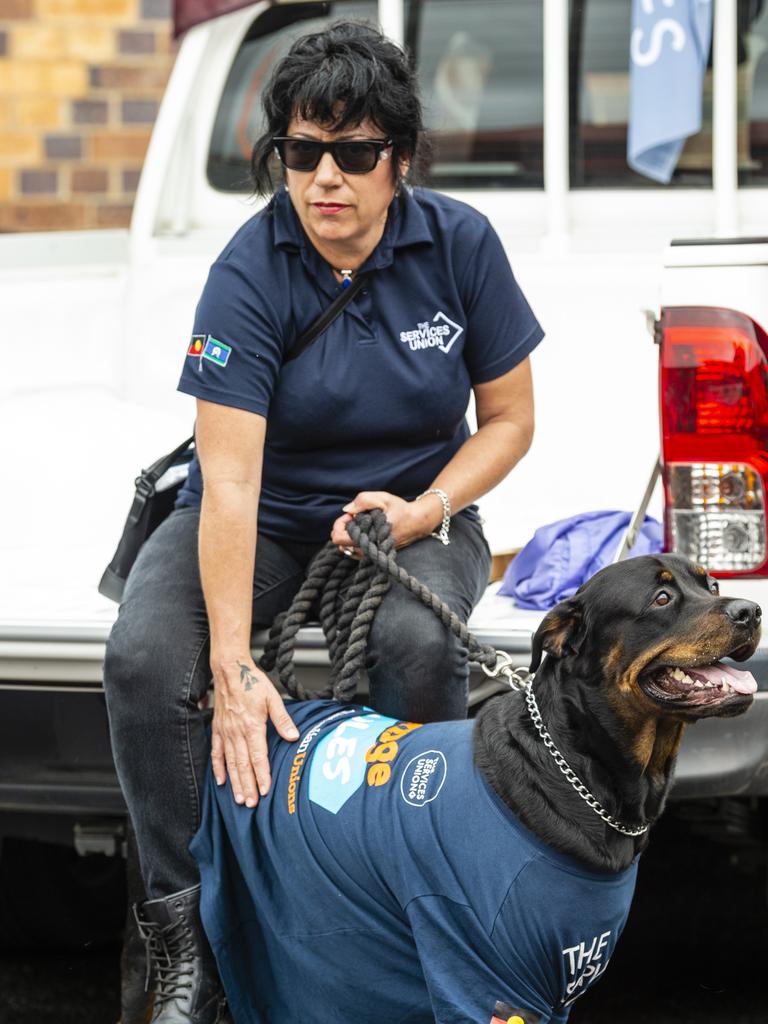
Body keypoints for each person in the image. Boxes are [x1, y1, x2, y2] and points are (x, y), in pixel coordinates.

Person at [103, 20, 543, 1024]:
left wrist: (426, 504)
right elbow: (229, 484)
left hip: (413, 510)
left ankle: (406, 914)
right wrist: (229, 667)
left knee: (416, 644)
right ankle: (188, 939)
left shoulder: (460, 243)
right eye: (304, 152)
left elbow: (511, 421)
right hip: (260, 511)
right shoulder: (249, 270)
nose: (327, 177)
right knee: (143, 658)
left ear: (399, 160)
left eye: (355, 153)